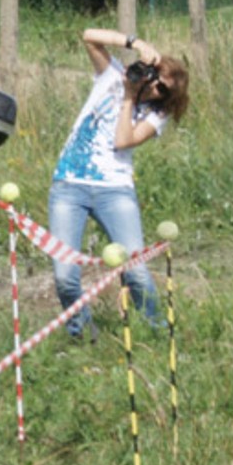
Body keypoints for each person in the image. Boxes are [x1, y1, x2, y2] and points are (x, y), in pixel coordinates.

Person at [49, 28, 190, 339]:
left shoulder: (156, 115)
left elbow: (123, 140)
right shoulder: (110, 75)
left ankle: (159, 333)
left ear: (168, 98)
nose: (153, 87)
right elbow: (87, 35)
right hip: (68, 186)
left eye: (162, 89)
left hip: (114, 191)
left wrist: (129, 97)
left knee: (136, 271)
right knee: (65, 277)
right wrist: (136, 43)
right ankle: (83, 334)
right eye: (154, 76)